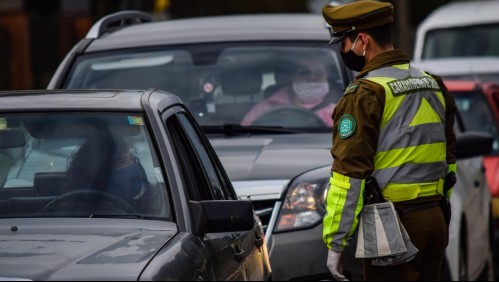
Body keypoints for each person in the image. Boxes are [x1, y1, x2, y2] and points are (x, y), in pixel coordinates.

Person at [321, 1, 457, 281]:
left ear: (362, 41)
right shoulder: (432, 83)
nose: (343, 51)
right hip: (435, 219)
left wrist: (336, 241)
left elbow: (348, 174)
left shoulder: (364, 93)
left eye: (343, 43)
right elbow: (449, 161)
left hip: (394, 226)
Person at [241, 55, 336, 127]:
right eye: (304, 72)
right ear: (293, 77)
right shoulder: (263, 109)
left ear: (327, 77)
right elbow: (244, 138)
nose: (312, 77)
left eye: (319, 73)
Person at [66, 125, 147, 205]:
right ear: (99, 171)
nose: (132, 164)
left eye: (132, 158)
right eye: (121, 162)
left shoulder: (151, 208)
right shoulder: (68, 211)